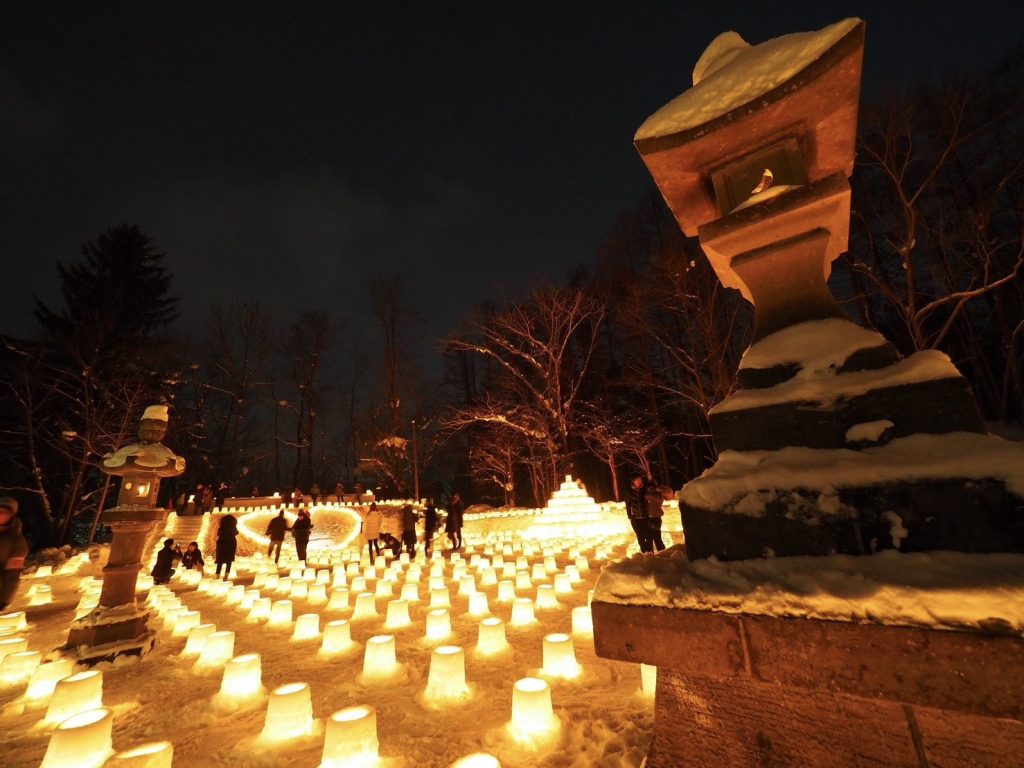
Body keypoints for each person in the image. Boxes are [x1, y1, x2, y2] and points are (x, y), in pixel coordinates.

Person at [0, 498, 28, 611]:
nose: (1, 514)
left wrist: (3, 600)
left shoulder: (16, 541)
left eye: (4, 512)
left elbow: (12, 574)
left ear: (11, 516)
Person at [625, 476, 652, 553]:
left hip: (646, 517)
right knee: (640, 537)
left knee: (649, 536)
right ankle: (644, 553)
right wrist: (630, 515)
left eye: (640, 480)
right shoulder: (629, 491)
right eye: (637, 480)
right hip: (635, 518)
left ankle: (650, 553)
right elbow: (627, 504)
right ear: (633, 481)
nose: (639, 481)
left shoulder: (645, 490)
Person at [644, 480, 666, 552]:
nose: (648, 489)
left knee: (656, 537)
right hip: (652, 517)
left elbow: (647, 496)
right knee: (652, 537)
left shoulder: (656, 495)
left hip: (655, 517)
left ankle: (661, 552)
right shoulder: (657, 494)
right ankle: (657, 552)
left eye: (650, 487)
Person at [215, 514, 238, 580]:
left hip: (221, 545)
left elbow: (218, 534)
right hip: (231, 544)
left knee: (220, 562)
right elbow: (236, 533)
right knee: (229, 561)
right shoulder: (233, 527)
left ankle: (217, 576)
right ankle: (226, 576)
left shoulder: (221, 528)